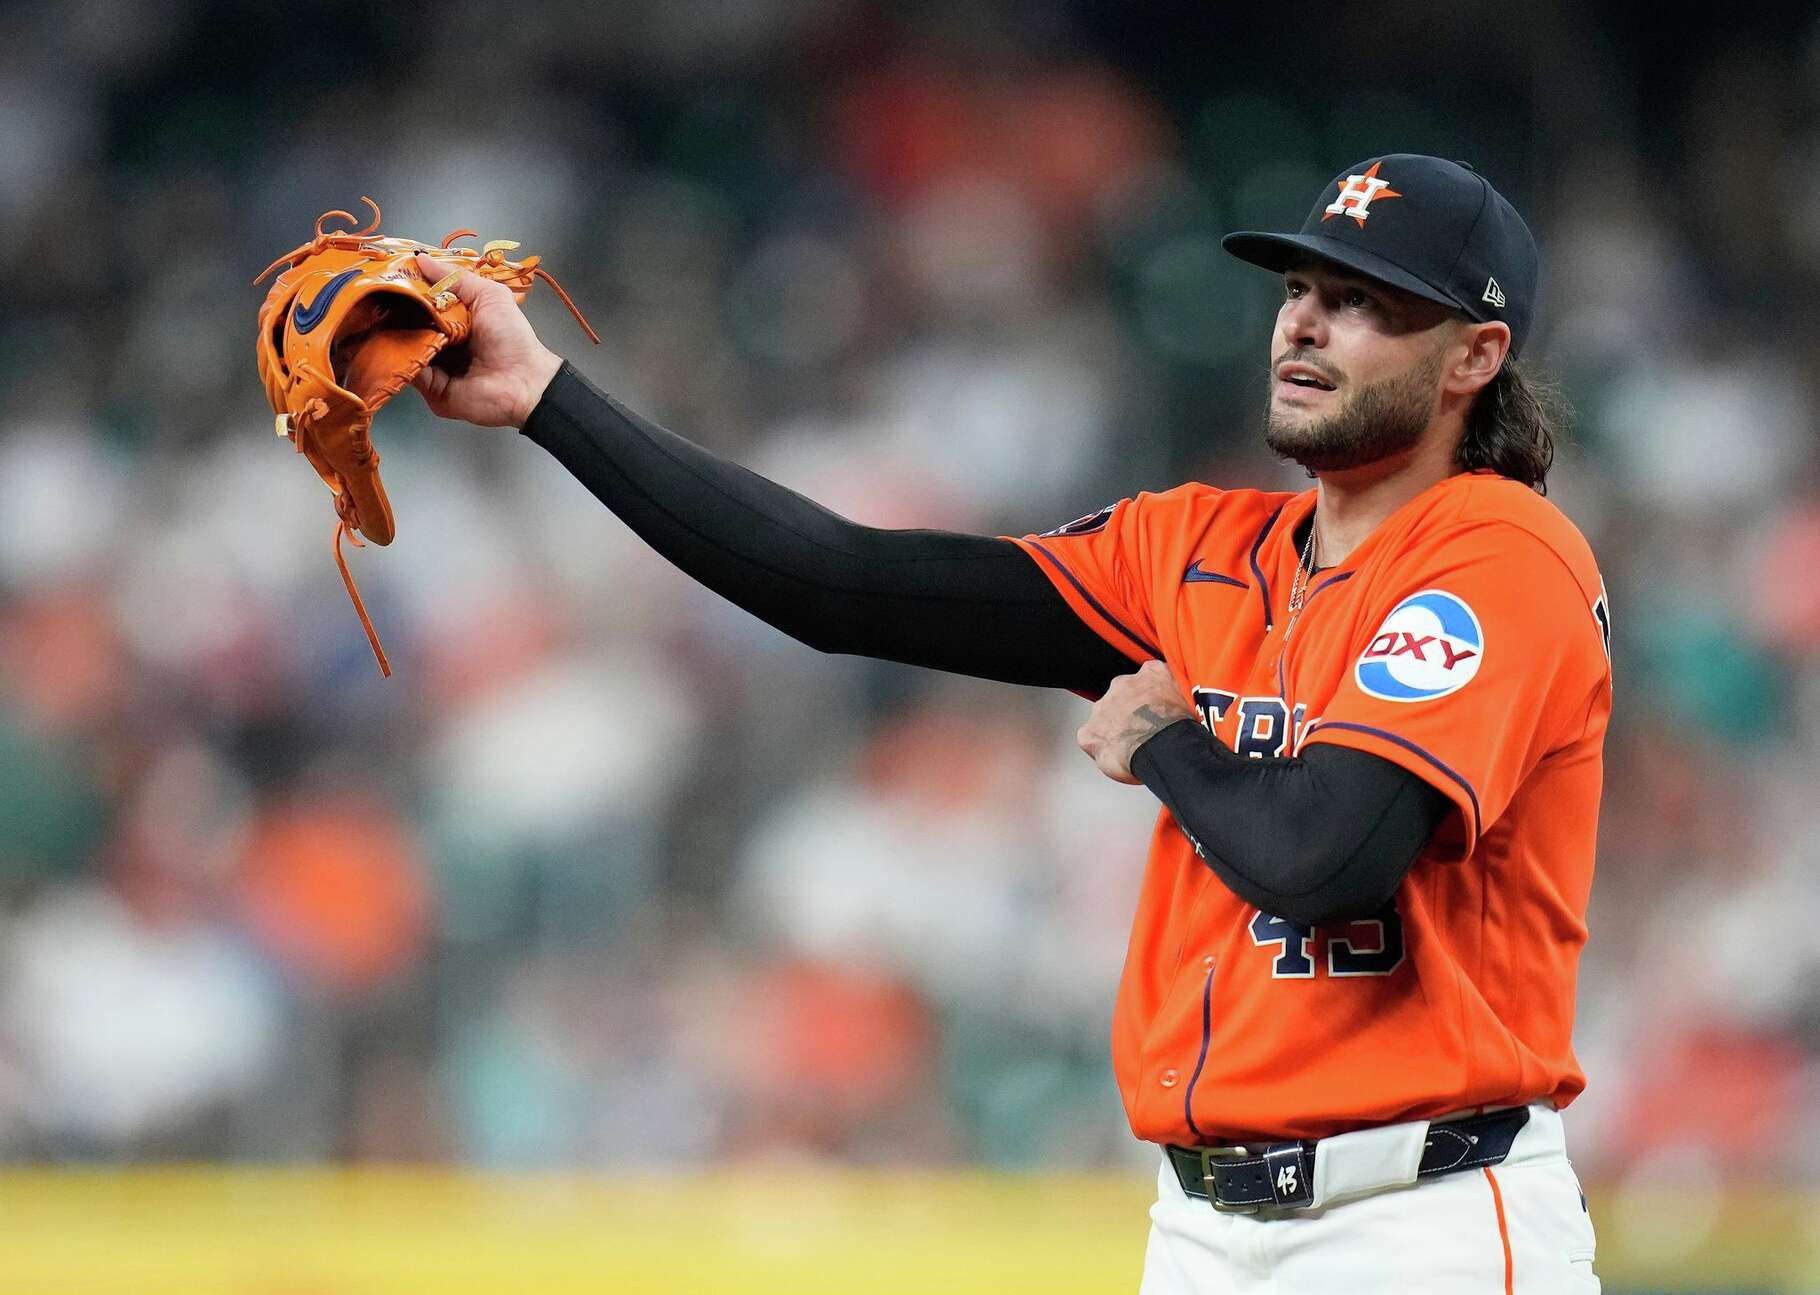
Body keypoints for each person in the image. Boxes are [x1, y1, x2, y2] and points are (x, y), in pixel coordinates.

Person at [410, 154, 1609, 1292]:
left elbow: (1323, 858)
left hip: (1419, 1217)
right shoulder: (1194, 548)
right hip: (1204, 1225)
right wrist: (543, 398)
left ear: (1473, 355)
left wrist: (1161, 740)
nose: (1302, 323)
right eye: (1298, 287)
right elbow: (834, 583)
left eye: (1360, 303)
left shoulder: (1500, 553)